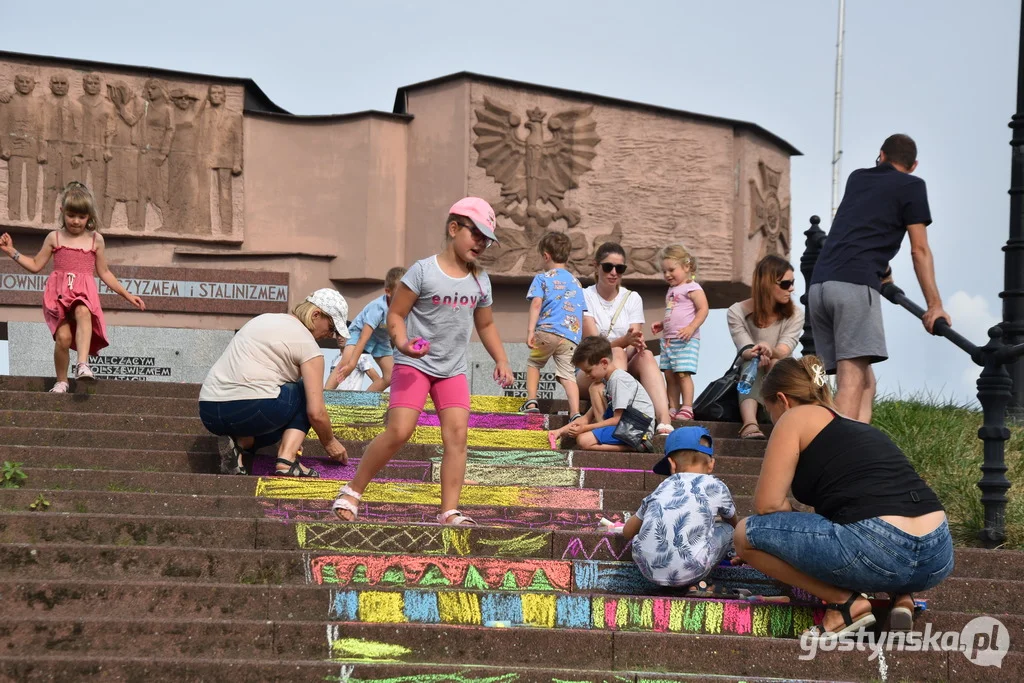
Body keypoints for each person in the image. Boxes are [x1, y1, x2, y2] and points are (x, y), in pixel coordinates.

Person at [732, 355, 954, 639]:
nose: (771, 419)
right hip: (937, 555)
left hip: (878, 547)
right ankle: (902, 597)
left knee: (745, 534)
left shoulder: (794, 417)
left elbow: (769, 505)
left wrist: (776, 543)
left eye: (769, 410)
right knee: (867, 519)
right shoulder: (859, 426)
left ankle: (847, 604)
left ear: (782, 400)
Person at [332, 197, 514, 525]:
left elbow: (485, 324)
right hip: (413, 364)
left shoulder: (480, 280)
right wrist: (402, 344)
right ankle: (352, 491)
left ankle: (449, 510)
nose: (482, 243)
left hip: (452, 370)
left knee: (457, 436)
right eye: (476, 234)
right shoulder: (423, 271)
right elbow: (396, 314)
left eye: (487, 239)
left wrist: (501, 359)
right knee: (400, 430)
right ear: (454, 228)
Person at [809, 134, 950, 424]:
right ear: (914, 165)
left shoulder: (858, 178)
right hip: (854, 288)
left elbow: (862, 225)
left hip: (820, 287)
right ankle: (834, 458)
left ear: (881, 155)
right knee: (851, 381)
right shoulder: (913, 185)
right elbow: (919, 250)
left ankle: (859, 453)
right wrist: (934, 305)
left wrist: (883, 272)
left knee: (865, 383)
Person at [0, 182, 145, 393]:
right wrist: (11, 251)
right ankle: (61, 381)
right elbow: (35, 265)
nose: (76, 221)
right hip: (57, 294)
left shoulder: (96, 240)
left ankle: (82, 364)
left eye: (81, 216)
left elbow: (104, 272)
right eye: (71, 215)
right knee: (64, 338)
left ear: (89, 216)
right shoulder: (55, 237)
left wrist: (127, 294)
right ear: (62, 212)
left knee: (83, 309)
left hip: (82, 292)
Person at [198, 289, 351, 477]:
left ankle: (239, 445)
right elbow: (316, 412)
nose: (332, 335)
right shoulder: (310, 347)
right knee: (306, 390)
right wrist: (330, 442)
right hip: (252, 407)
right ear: (316, 315)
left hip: (209, 410)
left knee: (279, 421)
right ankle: (287, 459)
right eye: (332, 327)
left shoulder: (262, 319)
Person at [621, 426, 737, 587]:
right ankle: (704, 576)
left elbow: (627, 532)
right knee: (729, 530)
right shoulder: (716, 486)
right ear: (711, 465)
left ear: (671, 465)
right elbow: (732, 521)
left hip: (648, 571)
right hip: (692, 571)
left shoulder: (663, 487)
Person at [580, 242, 674, 436]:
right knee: (616, 352)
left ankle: (664, 419)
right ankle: (617, 414)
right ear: (595, 266)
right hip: (591, 370)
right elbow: (592, 345)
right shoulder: (584, 296)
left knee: (646, 355)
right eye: (608, 267)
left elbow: (633, 341)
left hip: (623, 368)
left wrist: (633, 343)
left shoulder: (632, 298)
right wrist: (622, 343)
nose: (614, 272)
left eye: (620, 268)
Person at [727, 255, 804, 439]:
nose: (791, 289)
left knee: (775, 361)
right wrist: (756, 351)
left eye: (792, 282)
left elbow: (785, 350)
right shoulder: (736, 311)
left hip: (781, 381)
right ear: (767, 284)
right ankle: (750, 424)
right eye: (785, 284)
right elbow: (743, 347)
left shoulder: (795, 314)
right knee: (752, 361)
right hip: (749, 383)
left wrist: (769, 349)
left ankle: (784, 421)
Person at [546, 335, 655, 452]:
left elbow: (617, 419)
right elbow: (586, 418)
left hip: (638, 428)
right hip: (626, 425)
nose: (587, 375)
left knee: (583, 440)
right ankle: (630, 445)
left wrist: (585, 428)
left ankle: (636, 447)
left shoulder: (618, 380)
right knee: (594, 388)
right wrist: (560, 431)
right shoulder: (607, 382)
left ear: (604, 362)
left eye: (589, 371)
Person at [522, 231, 587, 421]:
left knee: (534, 363)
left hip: (547, 330)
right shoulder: (576, 283)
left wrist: (530, 331)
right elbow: (580, 311)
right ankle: (575, 412)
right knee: (568, 375)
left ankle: (532, 401)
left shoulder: (542, 278)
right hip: (570, 336)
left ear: (546, 256)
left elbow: (536, 304)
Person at [651, 244, 707, 422]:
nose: (667, 275)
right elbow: (674, 312)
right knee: (669, 373)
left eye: (671, 270)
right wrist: (662, 324)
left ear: (686, 267)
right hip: (668, 339)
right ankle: (672, 407)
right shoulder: (671, 290)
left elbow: (703, 309)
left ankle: (687, 407)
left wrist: (691, 327)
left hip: (685, 338)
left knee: (683, 373)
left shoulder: (692, 287)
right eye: (664, 271)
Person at [330, 266, 407, 392]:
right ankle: (324, 397)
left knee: (391, 376)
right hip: (359, 332)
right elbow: (363, 338)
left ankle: (364, 401)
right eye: (400, 292)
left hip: (381, 339)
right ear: (388, 292)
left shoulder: (406, 307)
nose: (405, 297)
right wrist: (352, 364)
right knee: (345, 363)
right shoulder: (378, 307)